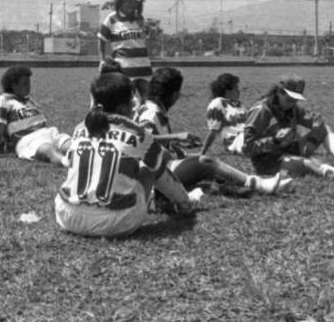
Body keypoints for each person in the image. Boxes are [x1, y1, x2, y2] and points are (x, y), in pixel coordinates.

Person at [55, 70, 194, 237]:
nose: (134, 107)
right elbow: (159, 162)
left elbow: (72, 162)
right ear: (122, 107)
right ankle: (185, 203)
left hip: (67, 217)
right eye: (132, 102)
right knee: (150, 166)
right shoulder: (136, 132)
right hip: (115, 223)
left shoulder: (80, 128)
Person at [136, 67, 291, 195]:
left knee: (202, 163)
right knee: (203, 162)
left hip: (158, 171)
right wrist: (177, 136)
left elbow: (156, 146)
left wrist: (179, 149)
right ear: (174, 94)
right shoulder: (151, 113)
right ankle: (259, 183)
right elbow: (138, 138)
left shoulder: (155, 110)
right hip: (154, 178)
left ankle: (237, 186)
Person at [242, 73, 334, 185]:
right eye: (290, 99)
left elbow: (317, 120)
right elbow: (248, 147)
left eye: (296, 99)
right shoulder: (261, 111)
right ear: (279, 92)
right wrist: (274, 140)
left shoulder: (292, 109)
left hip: (289, 149)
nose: (293, 103)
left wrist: (312, 141)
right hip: (268, 161)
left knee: (324, 128)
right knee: (309, 164)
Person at [0, 66, 70, 165]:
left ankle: (84, 158)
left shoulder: (29, 100)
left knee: (70, 143)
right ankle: (67, 162)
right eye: (25, 84)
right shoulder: (4, 100)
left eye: (29, 83)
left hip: (48, 132)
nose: (29, 86)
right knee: (47, 149)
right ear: (13, 85)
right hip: (27, 139)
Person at [98, 0, 152, 101]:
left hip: (144, 69)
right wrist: (102, 60)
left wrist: (145, 27)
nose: (130, 5)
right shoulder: (111, 18)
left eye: (134, 3)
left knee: (148, 102)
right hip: (124, 69)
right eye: (127, 2)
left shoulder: (140, 19)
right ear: (121, 2)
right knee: (128, 102)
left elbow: (147, 40)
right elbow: (102, 40)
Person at [200, 73, 247, 155]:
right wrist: (202, 152)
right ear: (227, 91)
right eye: (236, 88)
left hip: (247, 136)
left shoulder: (240, 105)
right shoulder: (218, 103)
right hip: (236, 142)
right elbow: (213, 131)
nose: (239, 91)